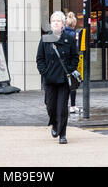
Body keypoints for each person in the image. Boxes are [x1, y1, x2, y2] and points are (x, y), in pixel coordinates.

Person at [36, 11, 79, 144]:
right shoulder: (45, 39)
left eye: (58, 21)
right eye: (53, 21)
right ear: (51, 24)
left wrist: (70, 70)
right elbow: (40, 59)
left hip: (63, 79)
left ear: (63, 24)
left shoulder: (69, 39)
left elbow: (75, 58)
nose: (55, 23)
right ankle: (54, 124)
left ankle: (62, 134)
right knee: (50, 106)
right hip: (50, 79)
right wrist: (45, 72)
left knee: (62, 108)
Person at [64, 12, 79, 114]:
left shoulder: (62, 33)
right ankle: (72, 106)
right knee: (72, 85)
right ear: (74, 24)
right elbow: (75, 50)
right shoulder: (73, 34)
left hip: (63, 63)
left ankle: (64, 105)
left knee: (64, 85)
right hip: (71, 64)